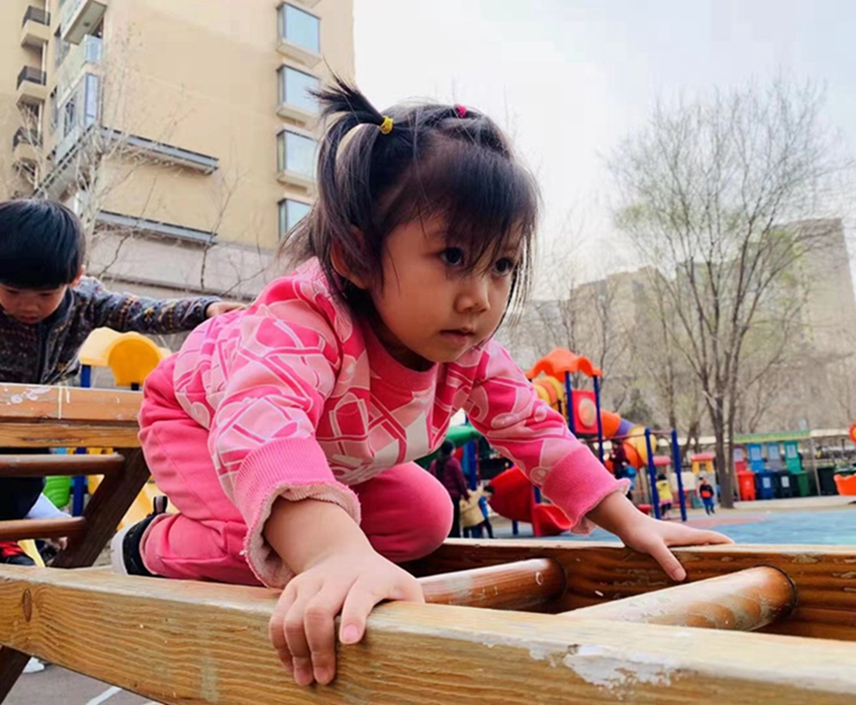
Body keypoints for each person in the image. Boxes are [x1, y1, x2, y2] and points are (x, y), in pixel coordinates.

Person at [111, 78, 732, 688]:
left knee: (426, 513)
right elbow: (260, 423)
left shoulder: (466, 350)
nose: (479, 297)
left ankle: (315, 538)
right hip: (203, 424)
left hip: (325, 460)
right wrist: (331, 554)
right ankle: (149, 546)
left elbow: (534, 429)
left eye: (501, 265)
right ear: (356, 257)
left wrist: (630, 521)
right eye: (453, 257)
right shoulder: (303, 322)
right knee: (269, 541)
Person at [0, 198, 244, 565]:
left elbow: (142, 311)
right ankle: (20, 533)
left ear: (75, 278)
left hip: (31, 416)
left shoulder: (86, 301)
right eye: (12, 292)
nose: (28, 306)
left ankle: (20, 533)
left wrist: (203, 310)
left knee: (27, 470)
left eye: (45, 295)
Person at [429, 441, 469, 538]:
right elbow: (460, 480)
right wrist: (466, 494)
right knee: (455, 521)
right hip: (453, 496)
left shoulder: (434, 463)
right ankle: (456, 539)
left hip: (440, 497)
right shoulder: (453, 462)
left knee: (445, 520)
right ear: (451, 450)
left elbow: (431, 479)